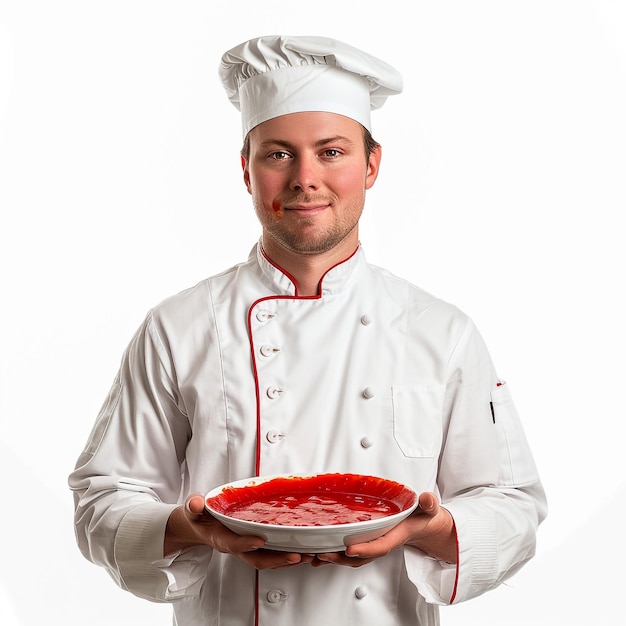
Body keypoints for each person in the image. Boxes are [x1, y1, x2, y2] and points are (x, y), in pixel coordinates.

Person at [69, 35, 547, 625]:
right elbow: (102, 499)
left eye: (331, 151)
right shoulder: (178, 326)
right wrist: (182, 528)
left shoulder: (441, 330)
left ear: (371, 165)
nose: (305, 178)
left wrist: (436, 528)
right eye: (278, 154)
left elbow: (513, 506)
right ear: (247, 169)